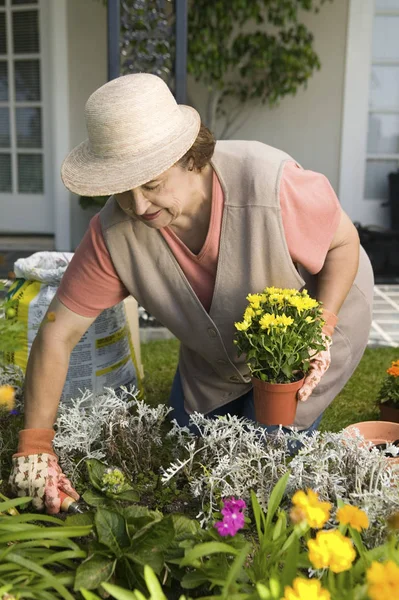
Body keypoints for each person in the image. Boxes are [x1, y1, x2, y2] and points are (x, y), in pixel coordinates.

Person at [9, 73, 374, 513]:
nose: (139, 206)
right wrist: (35, 446)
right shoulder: (113, 232)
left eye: (152, 184)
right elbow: (57, 334)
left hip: (309, 332)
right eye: (123, 191)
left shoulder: (270, 182)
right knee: (193, 455)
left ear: (191, 158)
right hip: (216, 346)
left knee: (265, 466)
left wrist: (323, 323)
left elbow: (343, 242)